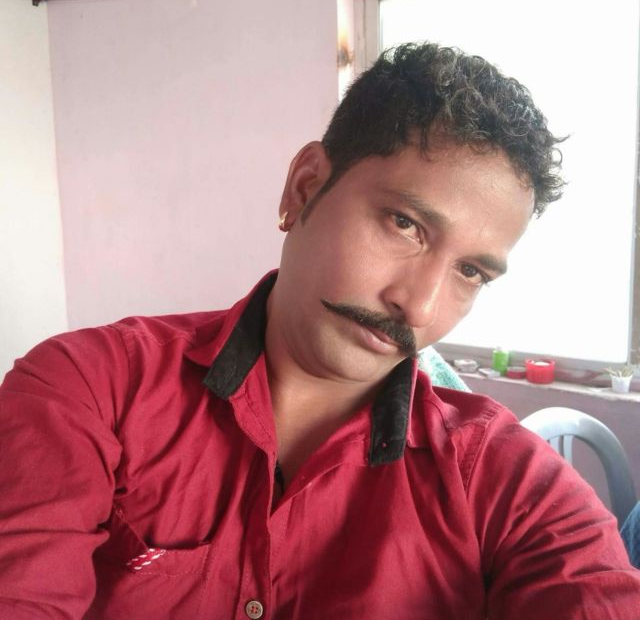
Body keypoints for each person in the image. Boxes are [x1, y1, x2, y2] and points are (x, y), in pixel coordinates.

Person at [0, 42, 638, 620]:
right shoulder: (90, 390)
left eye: (470, 272)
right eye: (405, 224)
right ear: (304, 188)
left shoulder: (505, 483)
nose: (419, 307)